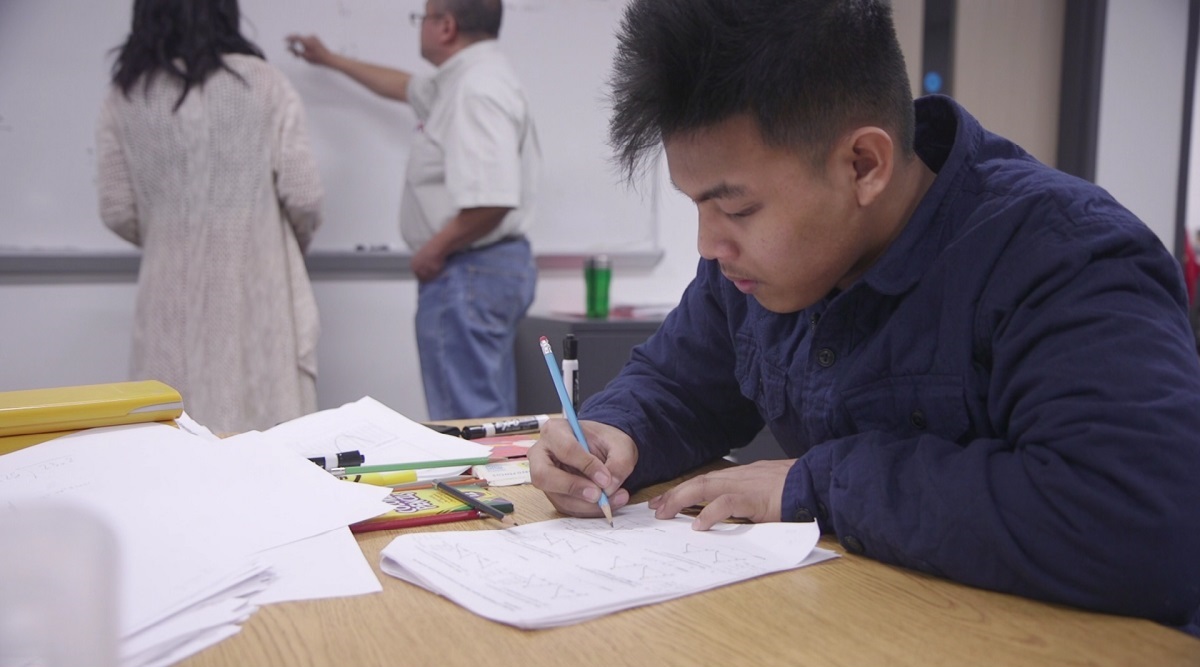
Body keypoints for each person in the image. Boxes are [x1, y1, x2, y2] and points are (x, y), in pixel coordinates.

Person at [529, 0, 1200, 636]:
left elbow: (1140, 522)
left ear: (864, 164)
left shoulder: (1065, 257)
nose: (709, 244)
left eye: (736, 209)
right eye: (696, 206)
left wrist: (820, 485)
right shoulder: (758, 269)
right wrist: (616, 433)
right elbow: (678, 386)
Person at [286, 0, 539, 421]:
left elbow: (492, 198)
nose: (418, 26)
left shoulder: (475, 89)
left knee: (469, 424)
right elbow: (403, 86)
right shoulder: (462, 81)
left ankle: (483, 491)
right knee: (485, 417)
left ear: (446, 27)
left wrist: (433, 250)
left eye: (422, 18)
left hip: (467, 271)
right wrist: (330, 59)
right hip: (480, 271)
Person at [96, 0, 324, 433]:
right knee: (269, 444)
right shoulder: (263, 83)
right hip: (259, 290)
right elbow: (304, 195)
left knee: (172, 446)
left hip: (167, 297)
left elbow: (117, 208)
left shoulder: (125, 95)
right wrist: (271, 240)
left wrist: (174, 233)